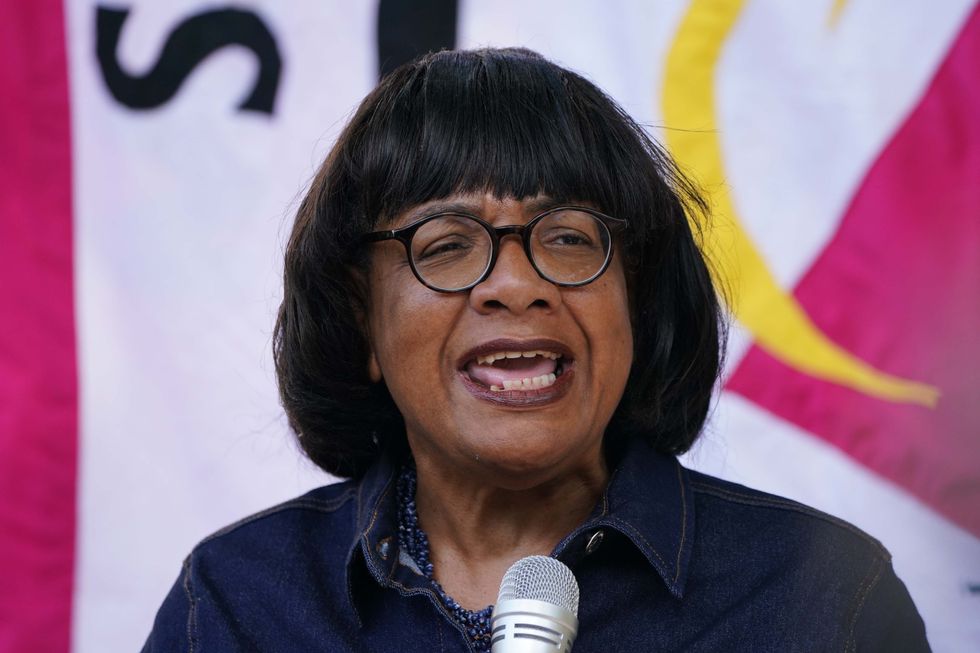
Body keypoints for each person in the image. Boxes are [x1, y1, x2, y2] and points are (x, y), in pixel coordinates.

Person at [142, 48, 929, 652]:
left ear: (636, 302)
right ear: (361, 319)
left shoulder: (821, 596)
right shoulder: (239, 602)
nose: (516, 285)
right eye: (446, 244)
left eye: (567, 237)